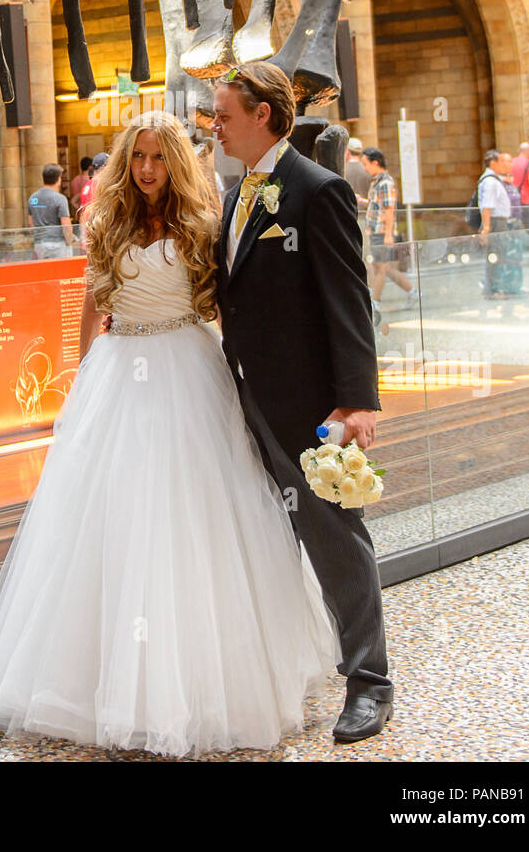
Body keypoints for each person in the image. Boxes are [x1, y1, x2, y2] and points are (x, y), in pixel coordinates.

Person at [0, 111, 340, 757]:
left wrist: (264, 372)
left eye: (158, 158)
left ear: (175, 162)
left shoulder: (203, 222)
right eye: (137, 156)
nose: (145, 169)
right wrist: (78, 379)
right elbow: (90, 302)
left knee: (198, 514)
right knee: (112, 518)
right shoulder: (105, 220)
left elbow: (230, 305)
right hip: (119, 369)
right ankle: (99, 684)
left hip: (190, 368)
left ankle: (203, 680)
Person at [213, 62, 393, 745]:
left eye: (224, 114)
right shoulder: (236, 194)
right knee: (265, 535)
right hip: (242, 398)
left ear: (262, 114)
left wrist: (354, 402)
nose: (216, 126)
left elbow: (349, 301)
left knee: (335, 538)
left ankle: (369, 682)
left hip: (309, 403)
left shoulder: (317, 191)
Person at [361, 147, 416, 315]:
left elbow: (389, 209)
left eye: (366, 164)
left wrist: (388, 235)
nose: (364, 168)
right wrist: (363, 201)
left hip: (381, 233)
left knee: (380, 269)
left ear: (375, 163)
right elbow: (377, 204)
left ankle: (374, 303)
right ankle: (412, 292)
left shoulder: (385, 183)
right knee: (384, 268)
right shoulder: (377, 182)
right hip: (376, 231)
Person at [477, 149, 514, 298]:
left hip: (497, 222)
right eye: (500, 162)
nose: (503, 165)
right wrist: (486, 229)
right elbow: (487, 206)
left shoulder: (493, 179)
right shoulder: (490, 182)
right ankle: (493, 289)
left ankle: (494, 287)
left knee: (498, 255)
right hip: (495, 223)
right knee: (495, 257)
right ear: (493, 163)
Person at [27, 164, 73, 259]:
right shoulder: (60, 199)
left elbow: (31, 223)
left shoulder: (33, 197)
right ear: (58, 179)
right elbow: (66, 225)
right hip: (57, 244)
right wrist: (69, 243)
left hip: (39, 244)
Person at [78, 150, 108, 248]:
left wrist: (83, 238)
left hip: (92, 237)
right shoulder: (102, 185)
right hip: (100, 238)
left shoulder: (87, 186)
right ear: (104, 168)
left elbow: (83, 215)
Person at [510, 142, 529, 231]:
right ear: (528, 151)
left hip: (513, 201)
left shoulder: (511, 162)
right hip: (526, 201)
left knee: (514, 228)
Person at [344, 136, 370, 209]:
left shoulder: (342, 170)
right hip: (366, 213)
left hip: (349, 214)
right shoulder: (368, 169)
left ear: (348, 151)